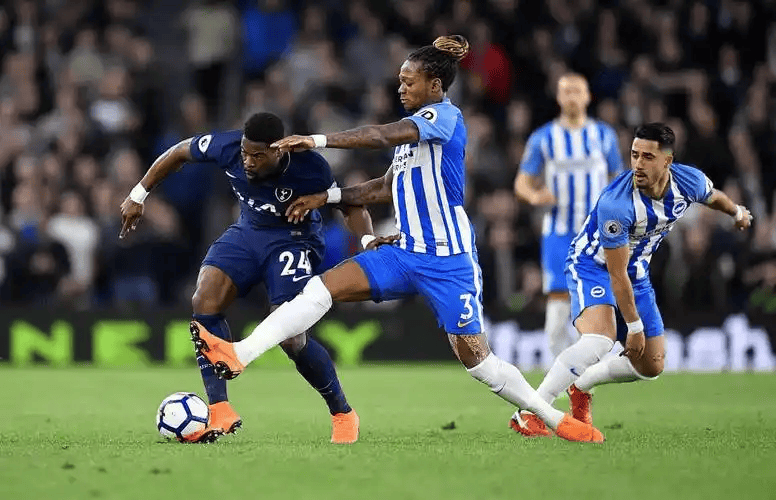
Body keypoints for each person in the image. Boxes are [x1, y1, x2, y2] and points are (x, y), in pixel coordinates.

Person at [191, 35, 605, 443]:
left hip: (449, 260)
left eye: (409, 82)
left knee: (479, 363)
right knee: (320, 289)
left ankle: (549, 417)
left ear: (435, 86)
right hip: (403, 252)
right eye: (400, 81)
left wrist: (317, 140)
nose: (401, 88)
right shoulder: (413, 141)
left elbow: (380, 135)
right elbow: (385, 187)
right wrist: (328, 197)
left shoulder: (444, 117)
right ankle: (239, 354)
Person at [120, 112, 373, 444]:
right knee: (204, 299)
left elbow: (351, 203)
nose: (248, 162)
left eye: (258, 155)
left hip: (295, 240)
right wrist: (138, 194)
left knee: (291, 338)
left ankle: (342, 413)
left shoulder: (311, 168)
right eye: (245, 153)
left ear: (279, 150)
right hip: (249, 232)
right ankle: (220, 409)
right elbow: (179, 151)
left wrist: (368, 241)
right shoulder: (227, 147)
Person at [510, 123, 753, 437]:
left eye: (647, 157)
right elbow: (615, 273)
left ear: (667, 161)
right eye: (634, 154)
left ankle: (582, 384)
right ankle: (530, 412)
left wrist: (736, 213)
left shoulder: (688, 181)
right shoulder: (617, 204)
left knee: (652, 365)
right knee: (600, 339)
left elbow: (713, 196)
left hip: (636, 273)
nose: (638, 163)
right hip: (592, 265)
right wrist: (634, 328)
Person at [513, 73, 623, 363]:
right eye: (566, 91)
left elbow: (618, 179)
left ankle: (587, 375)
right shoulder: (544, 138)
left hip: (596, 236)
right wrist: (535, 196)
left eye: (577, 91)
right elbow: (521, 183)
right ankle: (564, 378)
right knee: (558, 315)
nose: (572, 97)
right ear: (558, 97)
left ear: (587, 97)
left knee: (593, 307)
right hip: (559, 233)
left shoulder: (604, 136)